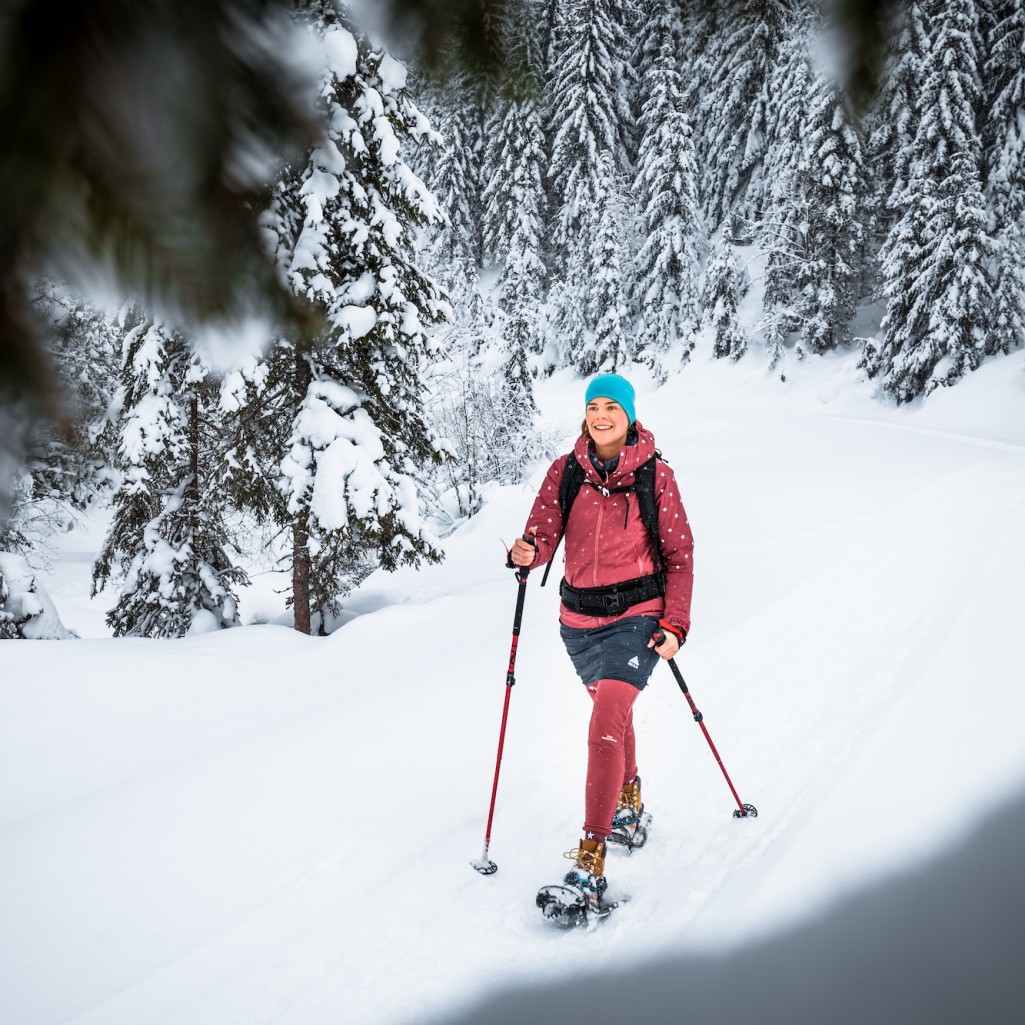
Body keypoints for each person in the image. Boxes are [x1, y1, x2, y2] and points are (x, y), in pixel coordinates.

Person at [509, 373, 694, 918]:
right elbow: (543, 534)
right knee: (611, 713)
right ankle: (629, 801)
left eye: (612, 406)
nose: (601, 415)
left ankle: (590, 861)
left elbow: (680, 556)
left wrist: (676, 624)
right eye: (593, 406)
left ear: (630, 414)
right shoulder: (566, 471)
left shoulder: (656, 476)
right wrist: (528, 552)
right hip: (578, 621)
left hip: (638, 616)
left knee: (607, 720)